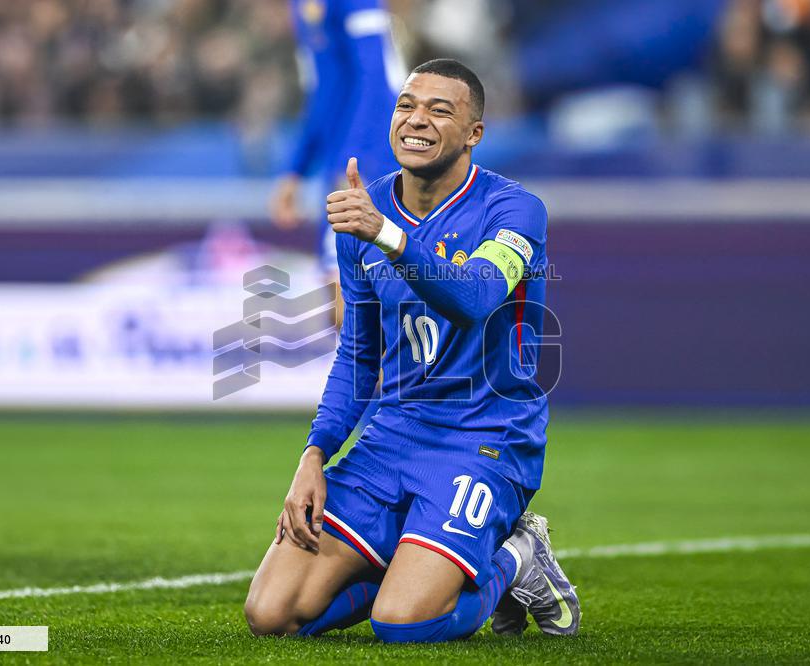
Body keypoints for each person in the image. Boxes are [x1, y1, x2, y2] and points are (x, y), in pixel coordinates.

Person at [245, 58, 579, 643]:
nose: (416, 119)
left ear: (474, 133)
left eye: (439, 110)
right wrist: (314, 454)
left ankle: (518, 556)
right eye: (406, 105)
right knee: (272, 614)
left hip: (485, 435)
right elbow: (358, 355)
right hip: (393, 434)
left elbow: (476, 297)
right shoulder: (367, 213)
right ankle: (409, 562)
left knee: (406, 624)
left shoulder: (514, 210)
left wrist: (387, 235)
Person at [271, 0, 403, 289]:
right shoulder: (301, 5)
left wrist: (355, 159)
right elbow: (322, 91)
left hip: (374, 158)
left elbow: (375, 79)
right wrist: (296, 169)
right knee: (338, 287)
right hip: (338, 160)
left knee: (356, 287)